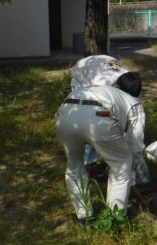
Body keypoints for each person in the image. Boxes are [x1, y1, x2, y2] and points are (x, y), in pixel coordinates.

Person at [55, 72, 145, 223]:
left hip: (65, 115)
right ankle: (115, 216)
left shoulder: (101, 90)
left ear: (116, 85)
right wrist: (131, 166)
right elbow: (136, 145)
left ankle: (84, 217)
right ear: (138, 93)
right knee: (121, 167)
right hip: (99, 118)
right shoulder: (134, 103)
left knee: (74, 167)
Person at [70, 54, 150, 184]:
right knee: (92, 123)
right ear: (117, 89)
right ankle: (88, 164)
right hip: (83, 74)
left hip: (102, 65)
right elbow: (99, 118)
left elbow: (133, 117)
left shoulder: (131, 83)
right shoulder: (102, 87)